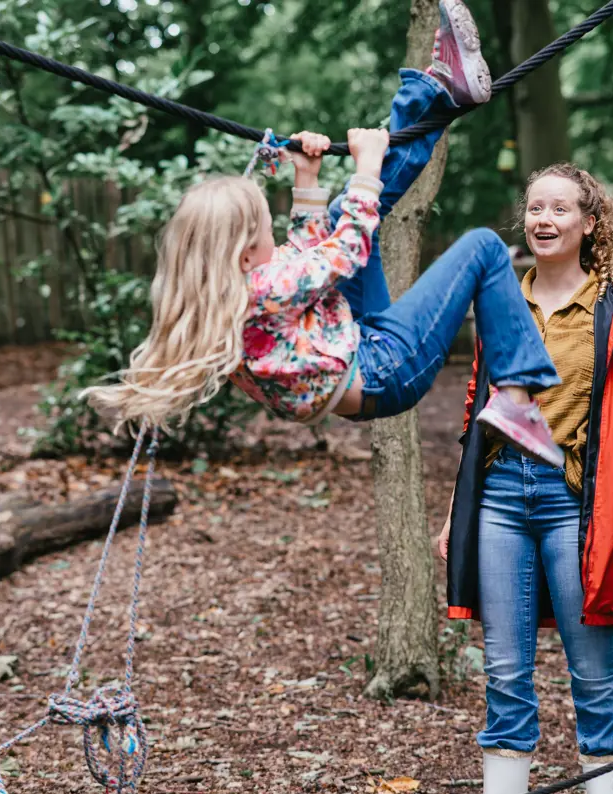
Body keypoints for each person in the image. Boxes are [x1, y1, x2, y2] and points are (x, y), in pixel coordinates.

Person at [83, 0, 564, 468]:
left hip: (359, 348)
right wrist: (367, 167)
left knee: (339, 213)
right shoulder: (263, 289)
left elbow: (310, 252)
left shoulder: (239, 291)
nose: (275, 236)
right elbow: (347, 250)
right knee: (481, 247)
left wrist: (306, 177)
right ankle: (517, 398)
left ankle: (438, 92)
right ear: (245, 252)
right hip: (383, 371)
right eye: (266, 228)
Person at [438, 163, 613, 794]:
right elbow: (478, 407)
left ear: (589, 223)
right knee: (505, 669)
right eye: (535, 208)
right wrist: (454, 510)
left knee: (593, 670)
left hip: (576, 501)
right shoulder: (500, 298)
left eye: (559, 209)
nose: (543, 220)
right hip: (497, 498)